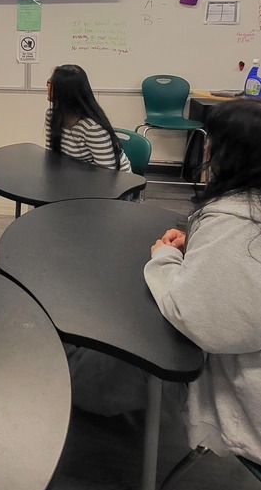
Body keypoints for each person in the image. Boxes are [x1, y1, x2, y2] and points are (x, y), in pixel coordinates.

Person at [144, 98, 261, 462]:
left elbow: (199, 319)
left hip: (247, 397)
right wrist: (196, 245)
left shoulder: (234, 221)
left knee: (139, 348)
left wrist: (165, 259)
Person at [45, 64, 131, 171]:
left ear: (64, 92)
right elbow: (51, 153)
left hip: (116, 180)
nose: (47, 86)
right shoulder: (52, 115)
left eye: (51, 83)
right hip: (77, 175)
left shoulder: (92, 127)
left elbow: (107, 172)